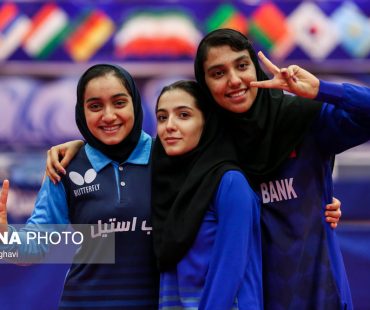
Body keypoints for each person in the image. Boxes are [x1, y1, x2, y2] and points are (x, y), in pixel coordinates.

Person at [193, 28, 370, 310]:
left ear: (255, 66)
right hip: (248, 301)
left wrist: (322, 90)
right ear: (204, 85)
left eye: (242, 66)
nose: (235, 80)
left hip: (321, 296)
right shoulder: (205, 147)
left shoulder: (302, 119)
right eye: (218, 73)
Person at [0, 64, 159, 309]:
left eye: (119, 103)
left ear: (135, 104)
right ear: (81, 112)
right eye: (95, 106)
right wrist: (4, 240)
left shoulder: (167, 159)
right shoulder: (66, 166)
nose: (108, 116)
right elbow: (33, 248)